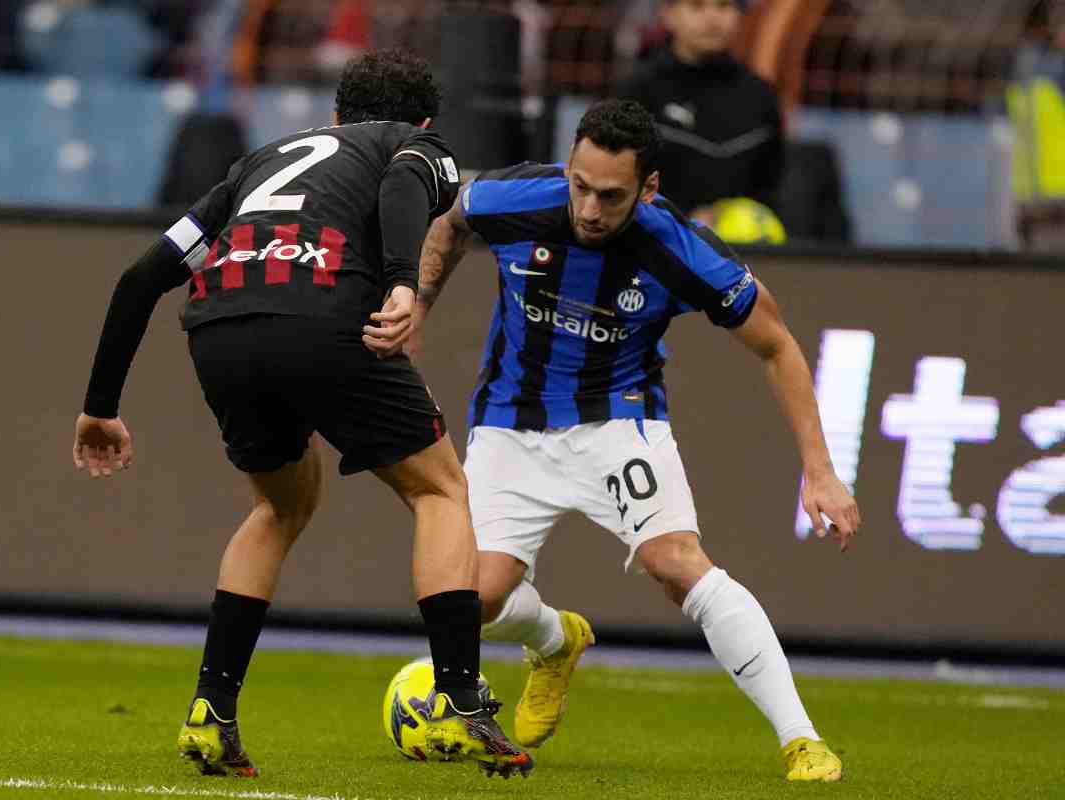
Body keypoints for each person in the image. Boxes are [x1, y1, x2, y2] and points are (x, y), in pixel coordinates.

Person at [71, 49, 532, 780]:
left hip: (219, 326)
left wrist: (101, 407)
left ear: (337, 118)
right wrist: (403, 284)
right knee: (439, 490)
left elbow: (140, 278)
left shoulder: (258, 162)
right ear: (423, 120)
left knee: (279, 508)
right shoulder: (414, 143)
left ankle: (210, 712)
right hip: (321, 313)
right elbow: (411, 179)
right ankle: (456, 698)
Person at [409, 99, 859, 782]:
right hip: (509, 425)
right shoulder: (515, 200)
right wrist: (418, 301)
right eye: (579, 186)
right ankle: (556, 641)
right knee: (472, 602)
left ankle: (801, 740)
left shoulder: (679, 249)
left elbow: (778, 346)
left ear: (649, 188)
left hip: (619, 424)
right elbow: (452, 218)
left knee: (675, 562)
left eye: (610, 195)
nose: (588, 208)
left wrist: (819, 471)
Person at [618, 0, 783, 224]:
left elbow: (772, 185)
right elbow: (617, 183)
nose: (712, 18)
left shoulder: (761, 96)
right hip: (655, 242)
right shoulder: (638, 92)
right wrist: (684, 220)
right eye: (697, 6)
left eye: (724, 6)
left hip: (741, 251)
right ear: (668, 15)